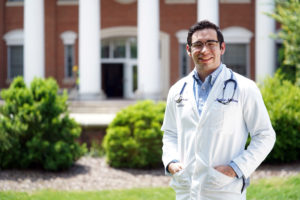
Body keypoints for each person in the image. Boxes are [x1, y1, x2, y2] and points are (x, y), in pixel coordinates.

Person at [161, 20, 276, 200]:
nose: (204, 50)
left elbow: (265, 135)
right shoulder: (177, 90)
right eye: (198, 45)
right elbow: (170, 133)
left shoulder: (245, 88)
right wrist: (171, 162)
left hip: (223, 189)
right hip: (186, 189)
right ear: (188, 50)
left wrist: (235, 168)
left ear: (222, 47)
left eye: (211, 44)